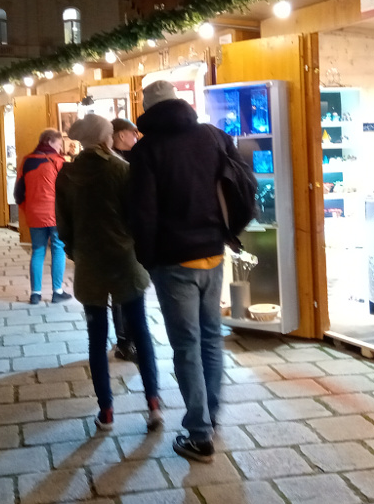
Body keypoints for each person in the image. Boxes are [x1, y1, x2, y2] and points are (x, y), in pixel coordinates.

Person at [129, 80, 255, 463]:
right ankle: (210, 418)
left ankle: (199, 435)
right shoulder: (212, 136)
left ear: (148, 110)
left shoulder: (146, 149)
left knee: (186, 346)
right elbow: (239, 183)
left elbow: (143, 212)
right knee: (211, 338)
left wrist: (148, 259)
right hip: (213, 253)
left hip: (173, 261)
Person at [56, 114, 162, 433]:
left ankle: (106, 411)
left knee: (96, 338)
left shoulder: (67, 174)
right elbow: (136, 216)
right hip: (125, 261)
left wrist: (77, 252)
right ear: (106, 138)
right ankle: (153, 405)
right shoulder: (121, 169)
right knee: (140, 330)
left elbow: (64, 226)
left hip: (90, 264)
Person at [14, 128, 71, 304]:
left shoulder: (27, 161)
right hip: (55, 213)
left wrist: (27, 209)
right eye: (58, 144)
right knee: (58, 249)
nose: (60, 148)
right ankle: (57, 291)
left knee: (38, 251)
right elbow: (66, 190)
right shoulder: (58, 161)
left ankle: (35, 294)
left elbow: (18, 192)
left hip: (35, 214)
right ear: (49, 141)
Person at [109, 117, 140, 362]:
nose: (136, 137)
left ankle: (131, 338)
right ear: (121, 135)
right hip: (120, 237)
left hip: (132, 235)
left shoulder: (135, 157)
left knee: (132, 289)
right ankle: (124, 342)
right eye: (133, 133)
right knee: (121, 291)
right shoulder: (114, 163)